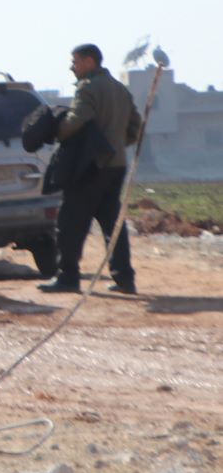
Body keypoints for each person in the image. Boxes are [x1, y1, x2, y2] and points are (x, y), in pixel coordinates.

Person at [43, 43, 140, 296]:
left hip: (90, 167)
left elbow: (76, 120)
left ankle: (68, 277)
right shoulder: (120, 89)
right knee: (113, 224)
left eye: (75, 62)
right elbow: (135, 126)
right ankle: (124, 278)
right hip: (116, 165)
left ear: (88, 62)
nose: (72, 67)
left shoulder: (88, 88)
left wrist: (58, 132)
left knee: (71, 222)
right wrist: (117, 145)